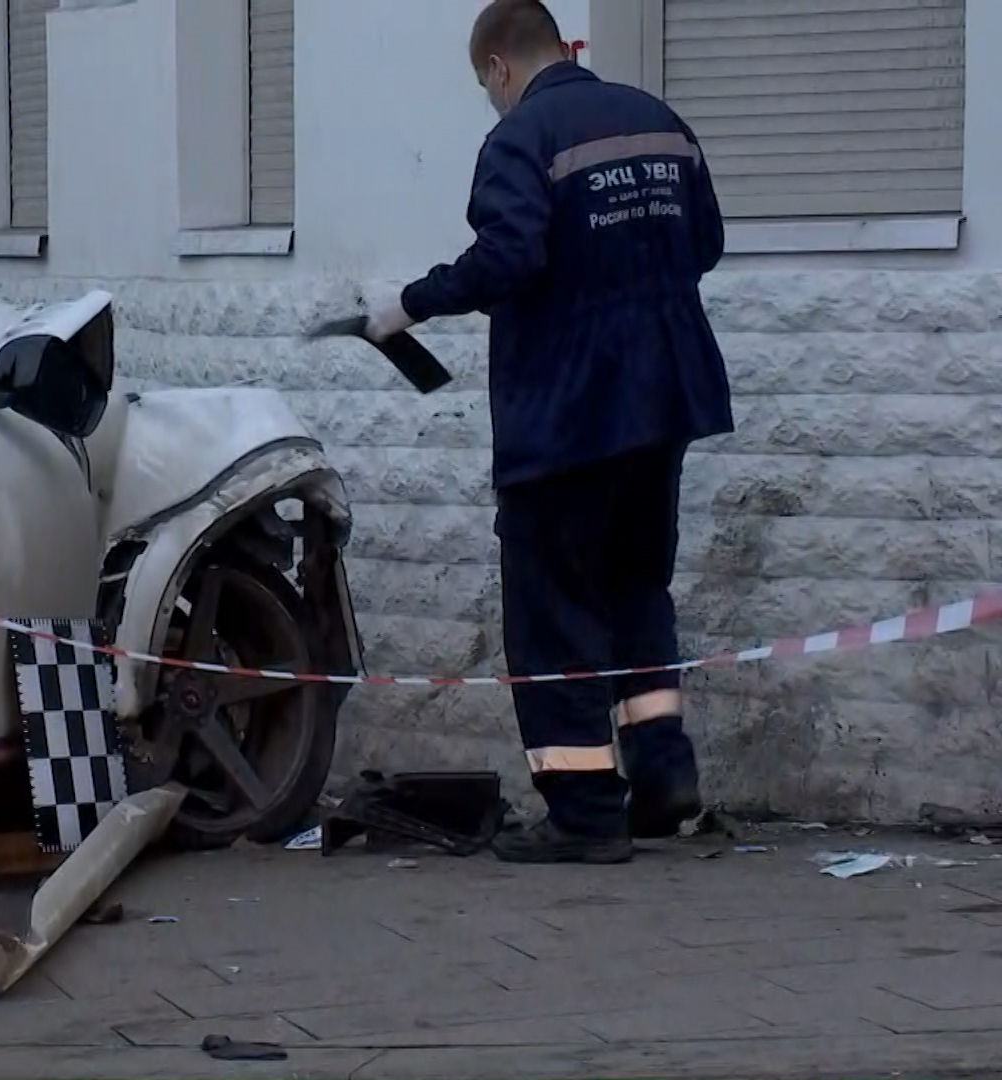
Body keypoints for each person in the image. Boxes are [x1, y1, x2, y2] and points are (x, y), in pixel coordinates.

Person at [361, 0, 732, 864]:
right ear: (565, 47)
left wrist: (407, 304)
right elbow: (705, 243)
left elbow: (512, 255)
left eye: (483, 84)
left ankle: (587, 813)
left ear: (498, 66)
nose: (489, 98)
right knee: (638, 591)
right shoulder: (658, 120)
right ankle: (663, 773)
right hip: (665, 400)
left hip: (567, 414)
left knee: (553, 611)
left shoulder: (522, 138)